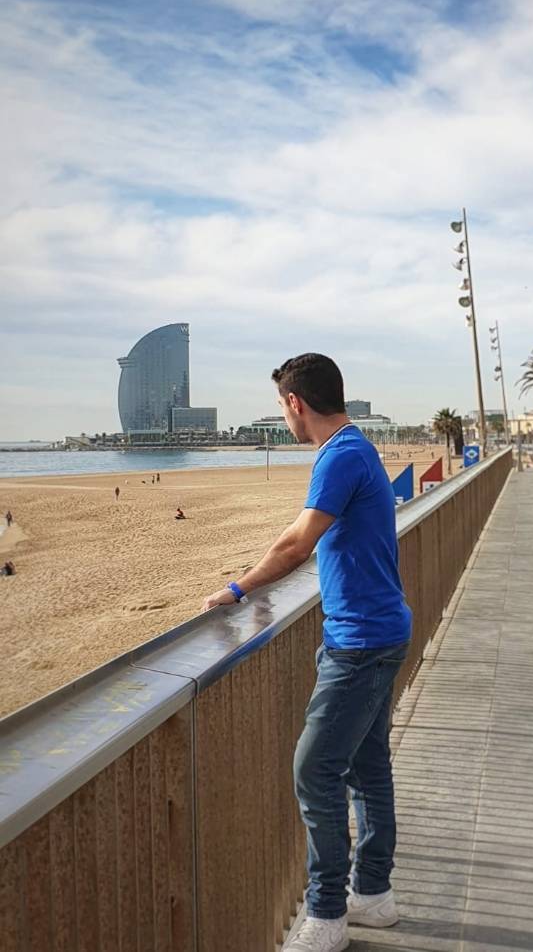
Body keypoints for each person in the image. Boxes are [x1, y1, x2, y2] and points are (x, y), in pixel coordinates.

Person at [201, 353, 411, 952]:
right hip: (374, 630)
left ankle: (327, 915)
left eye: (281, 407)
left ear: (296, 402)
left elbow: (297, 544)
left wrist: (237, 589)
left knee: (314, 769)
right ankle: (373, 897)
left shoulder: (341, 455)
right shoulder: (353, 449)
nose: (283, 419)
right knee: (367, 768)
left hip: (361, 641)